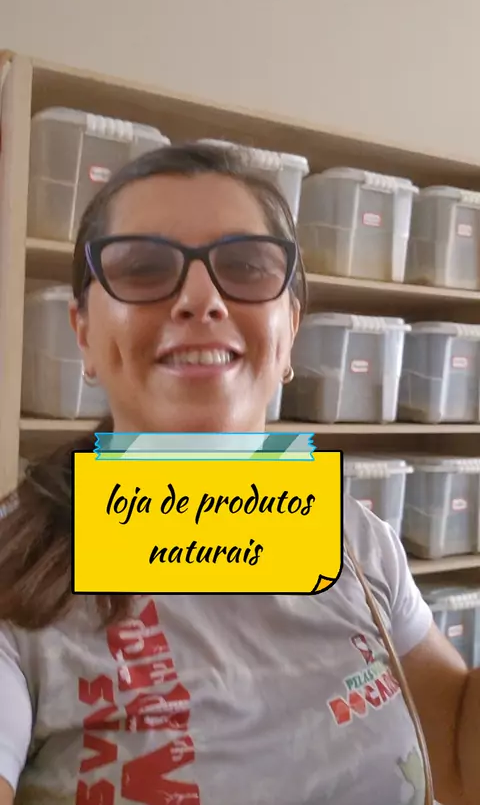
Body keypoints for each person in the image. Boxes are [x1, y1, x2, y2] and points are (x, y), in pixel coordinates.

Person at [0, 143, 476, 805]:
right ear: (82, 332)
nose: (201, 299)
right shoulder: (14, 566)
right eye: (144, 268)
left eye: (247, 268)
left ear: (290, 331)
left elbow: (455, 757)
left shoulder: (355, 541)